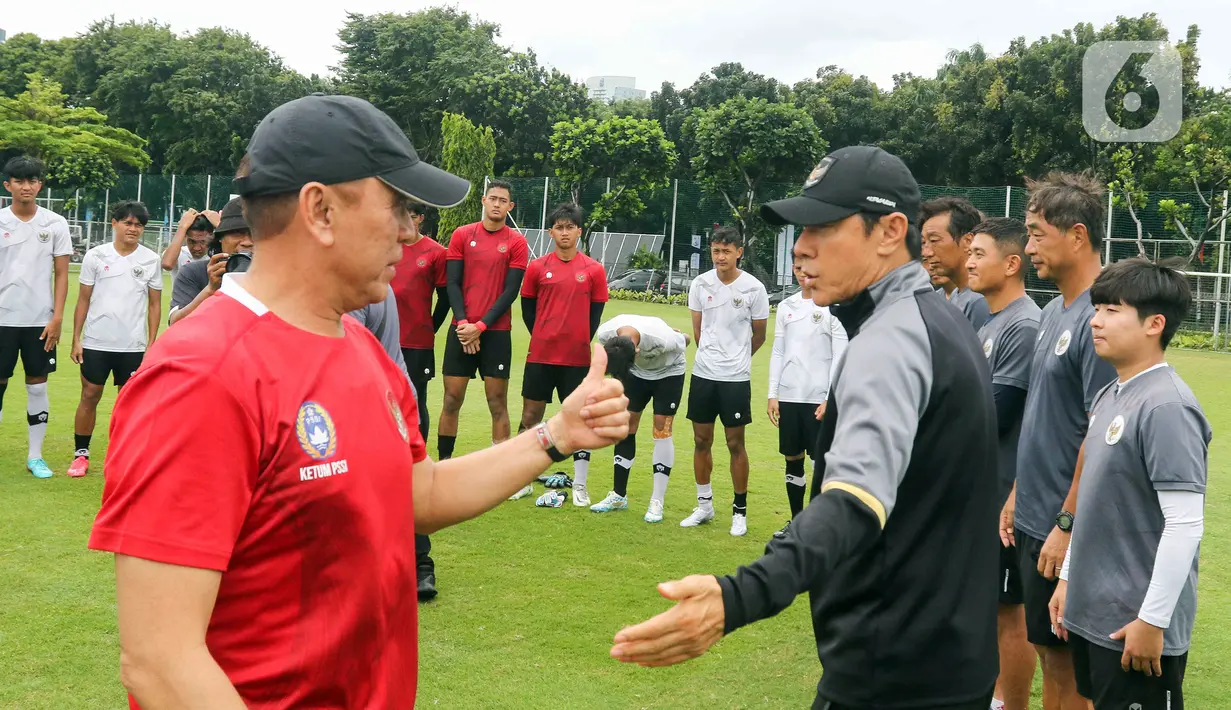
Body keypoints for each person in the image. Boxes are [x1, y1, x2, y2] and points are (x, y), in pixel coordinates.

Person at [88, 93, 629, 710]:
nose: (408, 229)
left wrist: (553, 434)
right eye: (396, 204)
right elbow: (160, 661)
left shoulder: (361, 346)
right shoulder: (202, 372)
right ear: (320, 209)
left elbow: (414, 495)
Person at [611, 146, 1000, 710]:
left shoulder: (891, 339)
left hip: (890, 674)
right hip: (946, 660)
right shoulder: (937, 318)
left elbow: (853, 499)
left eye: (823, 226)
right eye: (800, 228)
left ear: (890, 231)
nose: (800, 246)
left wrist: (737, 596)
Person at [1050, 258, 1209, 710]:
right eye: (1096, 308)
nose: (1095, 321)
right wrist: (1067, 579)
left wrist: (1152, 620)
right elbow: (1097, 503)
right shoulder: (1111, 392)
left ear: (1154, 324)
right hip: (1093, 612)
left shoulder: (1167, 407)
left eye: (1111, 310)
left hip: (1133, 626)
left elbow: (1184, 525)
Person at [1011, 172, 1118, 710]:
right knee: (1048, 654)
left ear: (1077, 235)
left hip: (1065, 526)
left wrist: (1066, 526)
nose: (1027, 247)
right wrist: (1015, 494)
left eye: (1036, 233)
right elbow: (1043, 416)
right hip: (1034, 517)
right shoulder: (1053, 310)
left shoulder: (1103, 321)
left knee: (1071, 667)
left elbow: (1100, 438)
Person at [966, 217, 1042, 710]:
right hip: (982, 491)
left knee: (1008, 611)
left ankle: (1009, 704)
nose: (969, 261)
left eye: (979, 253)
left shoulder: (1022, 324)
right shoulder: (989, 319)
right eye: (968, 251)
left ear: (1011, 263)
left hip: (1007, 496)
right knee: (988, 608)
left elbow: (993, 416)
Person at [516, 202, 609, 502]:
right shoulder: (537, 268)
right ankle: (522, 480)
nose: (565, 232)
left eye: (570, 227)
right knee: (531, 416)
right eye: (559, 227)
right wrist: (545, 335)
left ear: (579, 231)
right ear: (550, 232)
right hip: (541, 356)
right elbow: (528, 311)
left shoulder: (594, 270)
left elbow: (594, 317)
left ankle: (580, 485)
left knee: (580, 421)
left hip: (576, 359)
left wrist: (576, 338)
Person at [681, 227, 768, 536]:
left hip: (735, 378)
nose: (720, 257)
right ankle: (704, 507)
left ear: (739, 252)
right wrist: (712, 356)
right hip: (704, 374)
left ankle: (739, 512)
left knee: (735, 443)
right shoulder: (700, 283)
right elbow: (698, 331)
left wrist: (738, 359)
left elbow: (760, 335)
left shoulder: (754, 288)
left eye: (726, 251)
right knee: (701, 440)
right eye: (716, 251)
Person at [66, 201, 163, 478]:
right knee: (90, 394)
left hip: (132, 345)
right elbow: (83, 299)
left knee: (129, 402)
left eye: (139, 225)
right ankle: (80, 455)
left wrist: (151, 344)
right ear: (114, 223)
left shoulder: (151, 259)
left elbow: (155, 305)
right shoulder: (96, 256)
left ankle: (124, 457)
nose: (133, 229)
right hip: (97, 342)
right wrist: (76, 339)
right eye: (128, 223)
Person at [438, 181, 529, 463]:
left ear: (510, 207)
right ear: (483, 201)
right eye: (493, 199)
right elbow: (452, 283)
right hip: (461, 330)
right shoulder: (463, 235)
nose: (497, 204)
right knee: (452, 400)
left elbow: (510, 292)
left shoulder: (516, 242)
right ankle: (444, 465)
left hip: (496, 332)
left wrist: (481, 327)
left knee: (497, 402)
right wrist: (465, 324)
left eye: (503, 200)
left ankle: (499, 469)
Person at [390, 200, 451, 602]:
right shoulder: (379, 248)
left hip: (415, 343)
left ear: (420, 219)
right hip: (373, 341)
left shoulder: (435, 254)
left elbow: (445, 298)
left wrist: (430, 325)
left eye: (410, 216)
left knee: (414, 409)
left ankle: (420, 563)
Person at [0, 155, 72, 479]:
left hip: (39, 322)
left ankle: (35, 456)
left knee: (37, 386)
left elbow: (61, 274)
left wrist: (57, 318)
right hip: (2, 320)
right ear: (8, 185)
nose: (26, 186)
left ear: (40, 185)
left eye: (32, 180)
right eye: (19, 181)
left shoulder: (56, 223)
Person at [767, 260, 847, 538]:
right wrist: (772, 393)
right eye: (798, 267)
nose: (803, 273)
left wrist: (829, 397)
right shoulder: (787, 306)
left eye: (808, 267)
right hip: (789, 396)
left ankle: (821, 525)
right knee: (792, 458)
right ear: (792, 269)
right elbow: (778, 350)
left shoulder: (831, 305)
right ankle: (797, 521)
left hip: (818, 398)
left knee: (821, 461)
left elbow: (841, 354)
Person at [596, 314, 689, 522]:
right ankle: (618, 495)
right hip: (637, 374)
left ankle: (657, 501)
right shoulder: (605, 334)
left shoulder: (663, 339)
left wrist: (679, 335)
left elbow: (687, 339)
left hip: (669, 372)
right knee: (626, 424)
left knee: (661, 427)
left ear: (637, 351)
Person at [168, 197, 253, 325]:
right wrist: (210, 290)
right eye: (237, 233)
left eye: (256, 233)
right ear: (220, 238)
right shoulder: (195, 272)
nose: (247, 242)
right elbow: (176, 324)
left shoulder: (280, 277)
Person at [920, 196, 990, 331]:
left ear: (968, 241)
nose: (926, 253)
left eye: (934, 240)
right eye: (923, 242)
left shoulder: (978, 301)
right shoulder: (954, 297)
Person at [161, 208, 217, 284]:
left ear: (211, 238)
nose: (197, 248)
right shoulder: (179, 254)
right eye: (192, 241)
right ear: (185, 236)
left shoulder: (217, 254)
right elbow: (167, 264)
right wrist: (182, 227)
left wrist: (220, 224)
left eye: (202, 242)